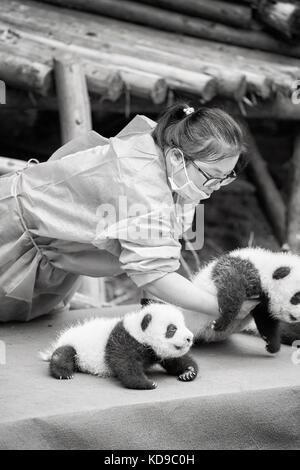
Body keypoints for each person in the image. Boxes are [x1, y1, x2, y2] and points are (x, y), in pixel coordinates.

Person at [0, 102, 249, 322]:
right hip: (10, 238)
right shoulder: (139, 181)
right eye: (212, 177)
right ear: (176, 158)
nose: (215, 187)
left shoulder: (173, 153)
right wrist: (223, 307)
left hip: (48, 251)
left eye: (225, 178)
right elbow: (156, 274)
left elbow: (160, 243)